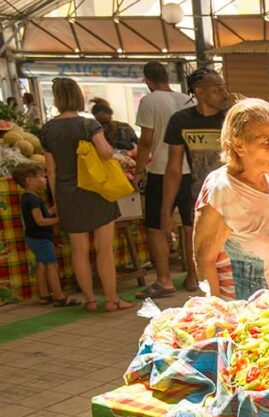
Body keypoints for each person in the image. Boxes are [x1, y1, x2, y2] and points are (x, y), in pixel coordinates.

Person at [193, 98, 269, 300]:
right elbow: (204, 259)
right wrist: (219, 316)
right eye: (266, 141)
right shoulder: (222, 190)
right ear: (238, 145)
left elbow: (255, 218)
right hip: (242, 318)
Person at [39, 77, 133, 312]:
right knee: (104, 249)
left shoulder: (47, 129)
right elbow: (104, 152)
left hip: (66, 191)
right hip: (96, 189)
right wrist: (119, 156)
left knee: (78, 250)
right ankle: (112, 300)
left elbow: (51, 169)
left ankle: (90, 299)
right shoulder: (88, 125)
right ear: (78, 96)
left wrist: (57, 199)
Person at [134, 61, 195, 298]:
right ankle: (192, 276)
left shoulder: (149, 101)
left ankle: (164, 280)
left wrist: (139, 170)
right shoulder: (187, 99)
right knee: (190, 226)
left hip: (161, 170)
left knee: (157, 227)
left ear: (147, 80)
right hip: (190, 171)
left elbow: (146, 140)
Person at [162, 67, 231, 246]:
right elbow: (173, 169)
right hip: (199, 197)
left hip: (233, 199)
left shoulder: (232, 119)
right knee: (199, 251)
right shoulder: (181, 121)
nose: (225, 94)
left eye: (224, 88)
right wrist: (166, 211)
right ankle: (194, 275)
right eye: (217, 90)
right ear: (199, 91)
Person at [13, 163, 72, 307]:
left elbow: (39, 215)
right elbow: (40, 221)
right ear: (29, 180)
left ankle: (44, 295)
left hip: (32, 237)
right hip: (41, 238)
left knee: (41, 265)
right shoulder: (32, 199)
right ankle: (59, 296)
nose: (45, 179)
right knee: (52, 265)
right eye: (41, 177)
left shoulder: (29, 197)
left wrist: (51, 210)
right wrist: (58, 220)